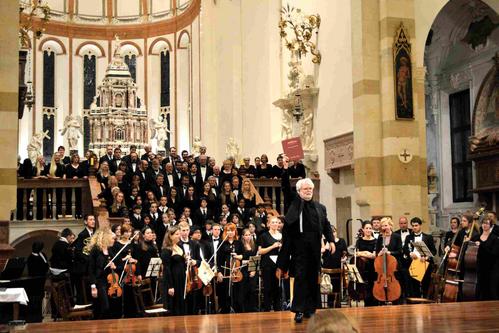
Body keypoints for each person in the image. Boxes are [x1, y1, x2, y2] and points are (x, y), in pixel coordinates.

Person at [276, 154, 335, 323]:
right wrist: (285, 169)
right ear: (299, 191)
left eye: (310, 189)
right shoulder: (294, 203)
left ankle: (311, 308)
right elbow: (286, 188)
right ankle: (299, 310)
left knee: (312, 278)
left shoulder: (320, 207)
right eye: (305, 189)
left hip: (315, 247)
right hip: (299, 247)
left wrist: (331, 241)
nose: (309, 191)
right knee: (301, 277)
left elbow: (326, 225)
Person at [86, 228, 118, 319]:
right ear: (106, 238)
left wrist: (113, 266)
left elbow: (113, 264)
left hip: (109, 282)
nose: (114, 240)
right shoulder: (95, 250)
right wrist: (93, 287)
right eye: (112, 238)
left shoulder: (109, 250)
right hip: (98, 282)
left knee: (111, 307)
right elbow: (91, 269)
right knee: (104, 307)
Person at [403, 217, 436, 298]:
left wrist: (427, 257)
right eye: (413, 225)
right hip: (414, 263)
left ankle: (426, 302)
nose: (414, 227)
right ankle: (416, 304)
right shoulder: (408, 237)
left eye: (416, 225)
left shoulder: (428, 237)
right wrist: (410, 253)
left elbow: (434, 251)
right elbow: (405, 249)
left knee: (426, 284)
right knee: (414, 286)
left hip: (425, 263)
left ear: (420, 225)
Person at [216, 222, 243, 313]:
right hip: (225, 271)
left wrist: (239, 256)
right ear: (225, 232)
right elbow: (218, 260)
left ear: (235, 231)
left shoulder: (239, 243)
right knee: (225, 294)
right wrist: (218, 272)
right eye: (228, 230)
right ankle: (225, 311)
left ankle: (236, 310)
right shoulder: (222, 243)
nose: (230, 232)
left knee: (237, 294)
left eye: (232, 230)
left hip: (236, 271)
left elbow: (244, 256)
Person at [258, 215, 282, 312]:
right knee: (268, 288)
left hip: (278, 265)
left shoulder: (282, 235)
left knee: (277, 288)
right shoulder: (264, 236)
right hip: (267, 265)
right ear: (269, 224)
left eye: (277, 222)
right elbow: (260, 251)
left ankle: (277, 308)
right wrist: (272, 247)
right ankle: (267, 309)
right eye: (273, 222)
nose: (275, 224)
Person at [161, 226, 186, 315]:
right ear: (170, 236)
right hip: (173, 280)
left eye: (179, 234)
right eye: (177, 234)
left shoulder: (179, 247)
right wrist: (170, 286)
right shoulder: (166, 250)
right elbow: (166, 269)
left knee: (181, 303)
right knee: (173, 304)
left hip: (181, 279)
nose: (180, 236)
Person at [321, 226, 347, 307]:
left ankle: (337, 302)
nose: (332, 234)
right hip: (327, 268)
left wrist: (344, 258)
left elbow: (345, 253)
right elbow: (322, 254)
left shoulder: (342, 241)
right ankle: (330, 303)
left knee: (337, 285)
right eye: (330, 232)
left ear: (336, 232)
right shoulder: (325, 241)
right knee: (328, 285)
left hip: (338, 267)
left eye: (334, 231)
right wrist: (325, 246)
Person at [473, 217, 498, 300]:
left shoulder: (494, 238)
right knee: (480, 289)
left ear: (491, 226)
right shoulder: (476, 237)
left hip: (491, 268)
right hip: (479, 267)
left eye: (487, 223)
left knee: (491, 290)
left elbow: (493, 254)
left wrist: (481, 246)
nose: (485, 225)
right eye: (483, 223)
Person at [354, 221, 377, 306]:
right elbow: (356, 253)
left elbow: (374, 255)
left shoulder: (376, 241)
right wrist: (367, 252)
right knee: (364, 288)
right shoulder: (359, 241)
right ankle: (366, 304)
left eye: (370, 228)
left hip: (373, 267)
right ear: (363, 229)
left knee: (372, 287)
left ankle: (374, 304)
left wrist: (363, 253)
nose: (368, 230)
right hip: (362, 268)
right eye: (366, 228)